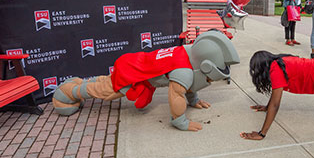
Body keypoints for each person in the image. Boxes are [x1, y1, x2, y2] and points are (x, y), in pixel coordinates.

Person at [52, 30, 239, 131]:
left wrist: (194, 100)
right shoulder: (184, 72)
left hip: (134, 63)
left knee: (106, 82)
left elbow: (190, 85)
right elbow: (177, 94)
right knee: (106, 91)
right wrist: (181, 121)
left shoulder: (190, 52)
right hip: (134, 73)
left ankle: (75, 83)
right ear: (205, 66)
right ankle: (66, 94)